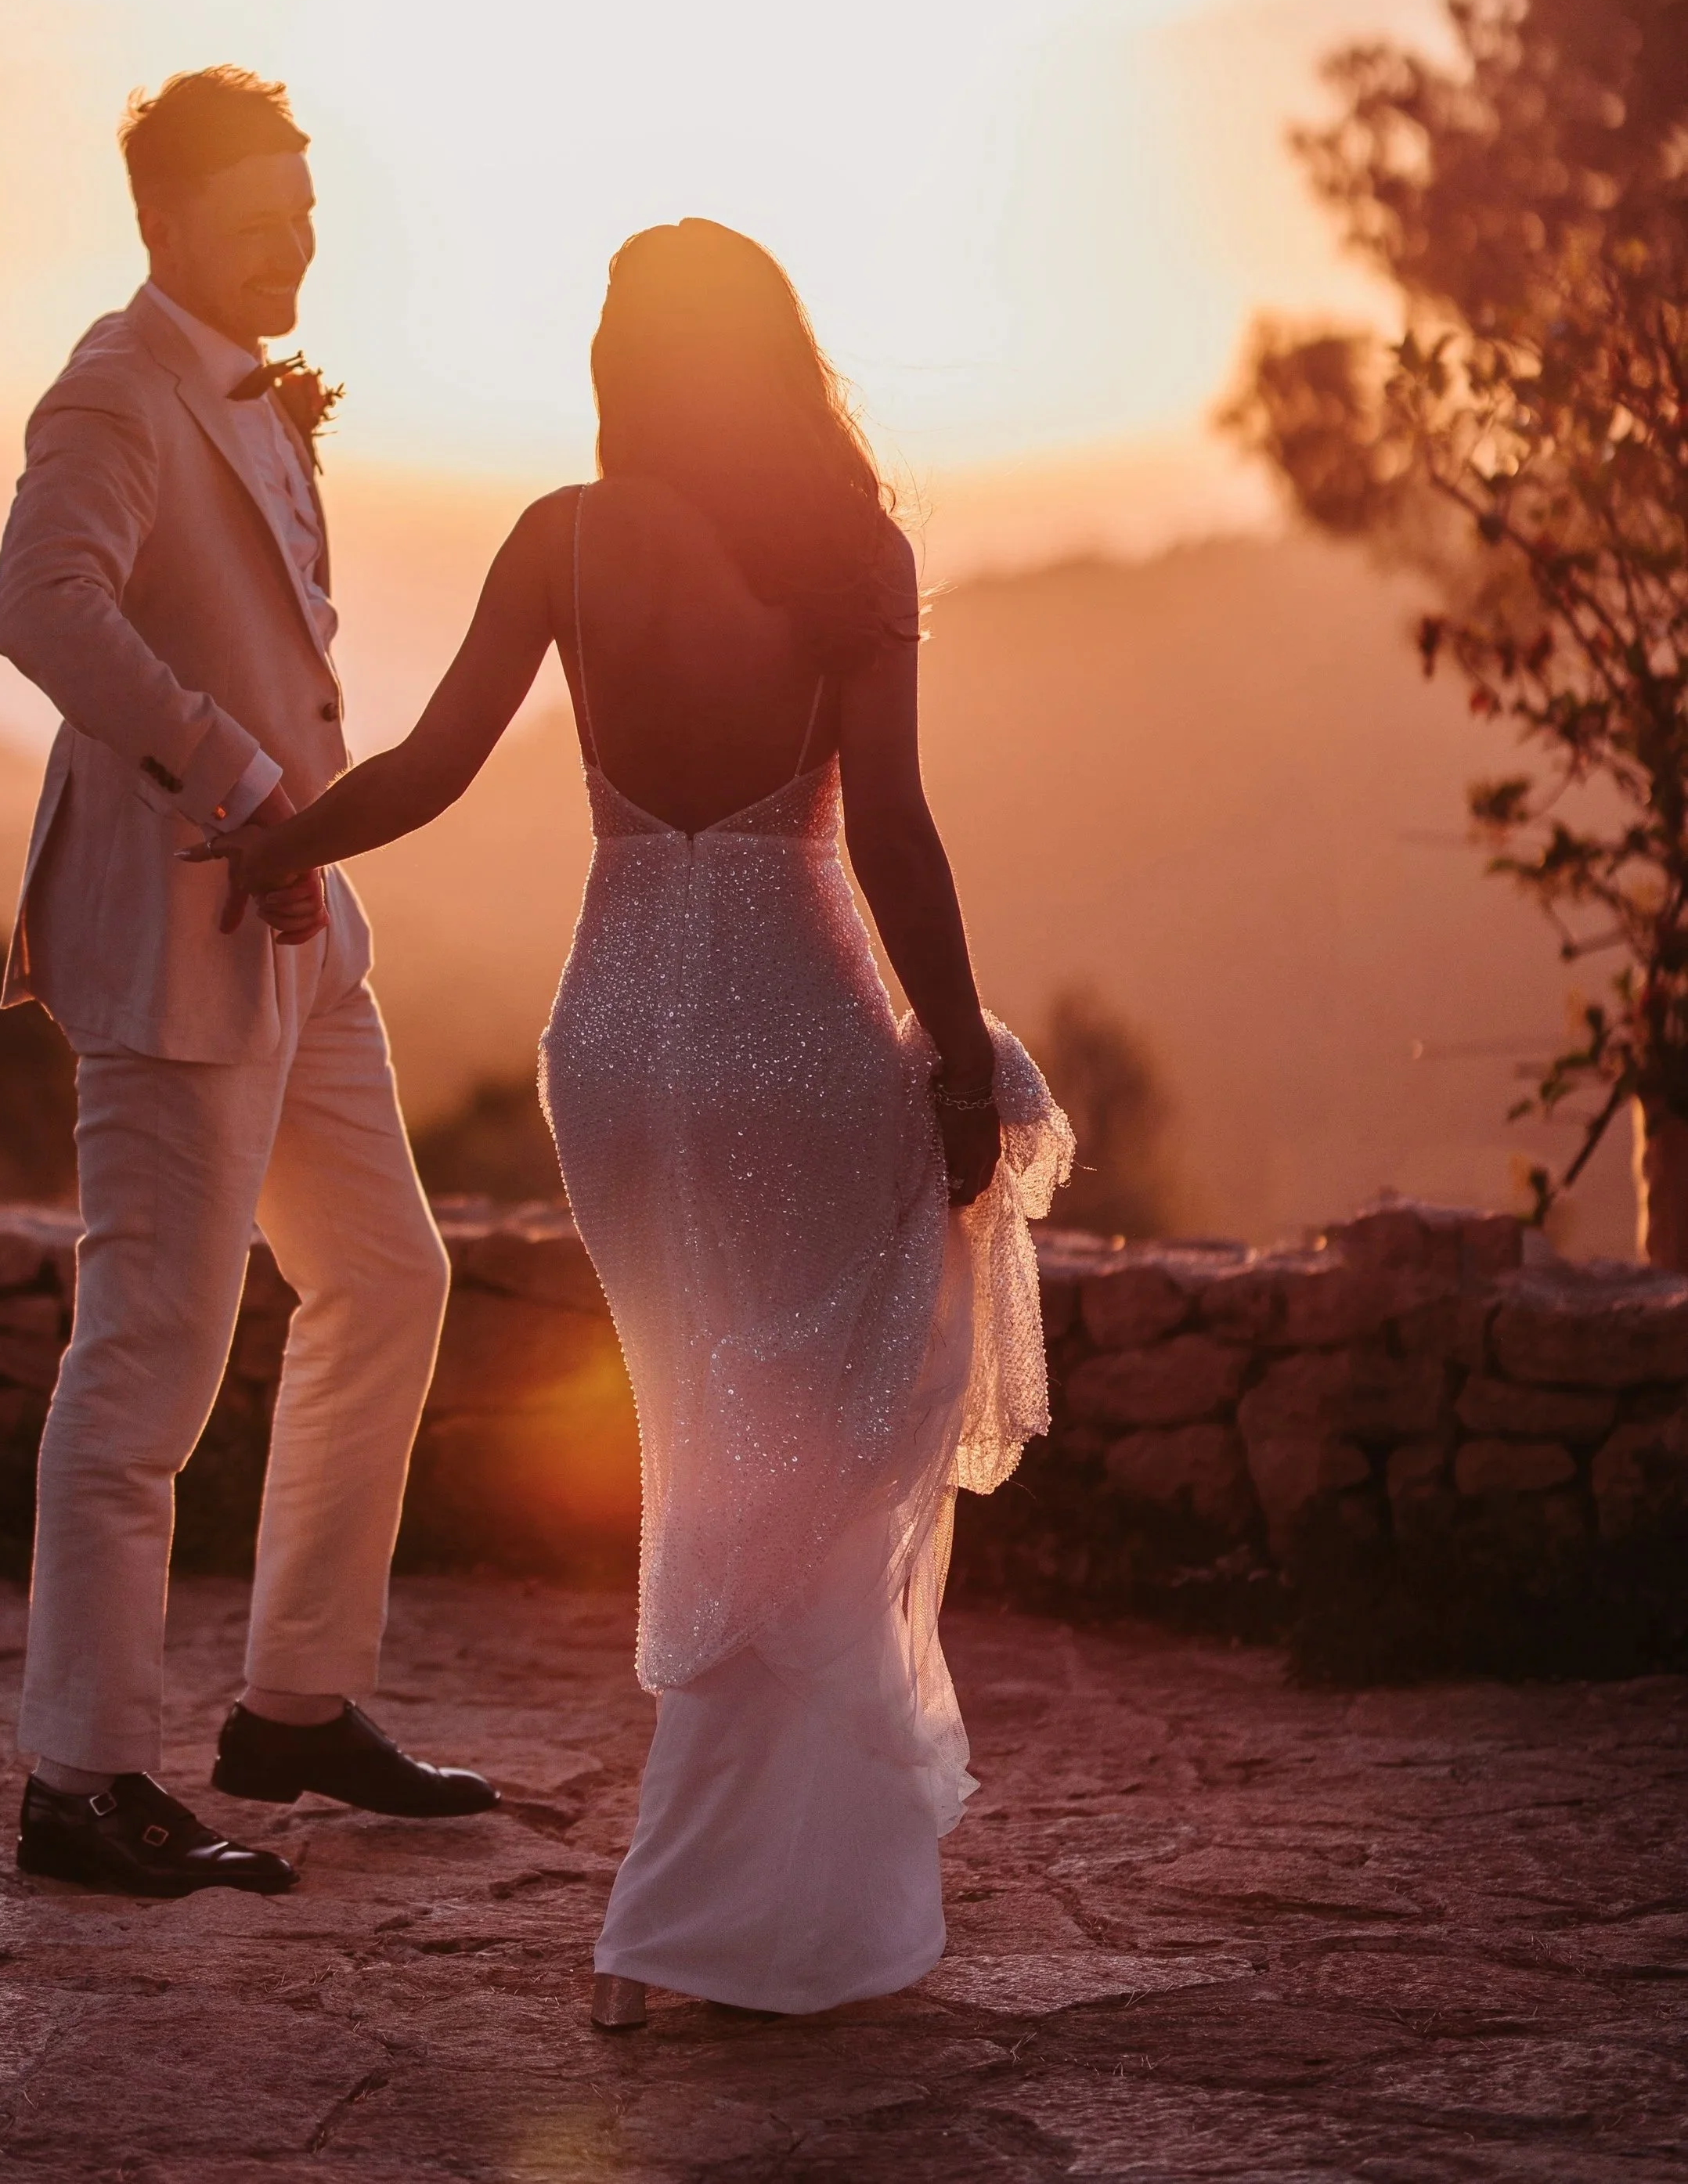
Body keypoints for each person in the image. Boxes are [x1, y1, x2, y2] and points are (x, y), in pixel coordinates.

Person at [196, 218, 1069, 2016]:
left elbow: (434, 765)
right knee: (822, 1458)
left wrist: (281, 843)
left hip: (611, 1056)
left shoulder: (560, 540)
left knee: (709, 1441)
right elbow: (889, 828)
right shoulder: (847, 554)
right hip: (792, 1035)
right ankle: (705, 1922)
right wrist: (964, 1058)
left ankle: (740, 1901)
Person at [0, 66, 497, 1900]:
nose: (302, 231)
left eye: (306, 200)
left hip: (298, 929)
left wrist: (300, 845)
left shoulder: (257, 392)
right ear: (177, 217)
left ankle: (294, 1703)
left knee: (386, 1271)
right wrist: (234, 777)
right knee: (145, 1369)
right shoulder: (116, 385)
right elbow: (40, 605)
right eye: (272, 205)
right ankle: (82, 1776)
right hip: (171, 929)